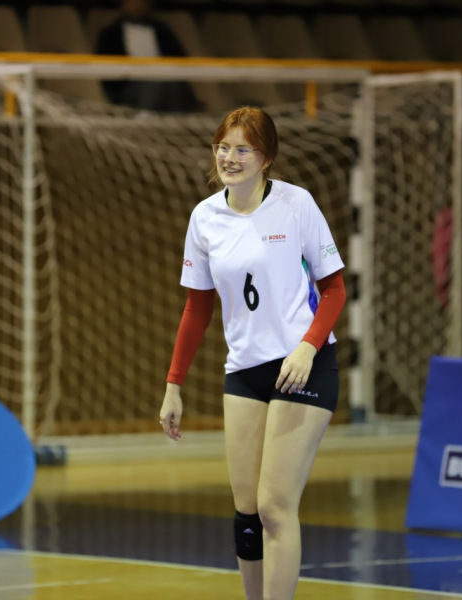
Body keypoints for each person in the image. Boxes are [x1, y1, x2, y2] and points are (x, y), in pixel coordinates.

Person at [159, 106, 346, 600]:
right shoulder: (204, 218)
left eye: (243, 149)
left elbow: (334, 291)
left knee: (274, 507)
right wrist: (173, 385)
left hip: (302, 368)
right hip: (244, 371)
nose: (230, 157)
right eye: (223, 147)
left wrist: (307, 347)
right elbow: (197, 309)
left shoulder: (296, 204)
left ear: (266, 158)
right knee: (246, 513)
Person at [95, 0, 200, 112]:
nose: (137, 5)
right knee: (155, 82)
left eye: (142, 2)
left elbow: (180, 61)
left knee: (171, 83)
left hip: (166, 81)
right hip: (128, 87)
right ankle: (144, 119)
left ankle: (176, 120)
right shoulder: (110, 34)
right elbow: (107, 73)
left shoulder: (163, 31)